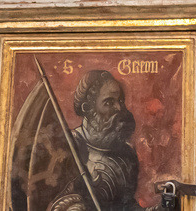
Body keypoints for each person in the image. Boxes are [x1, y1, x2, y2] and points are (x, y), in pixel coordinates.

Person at [47, 71, 155, 211]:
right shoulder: (69, 148)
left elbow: (126, 206)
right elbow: (55, 201)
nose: (118, 108)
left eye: (120, 101)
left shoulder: (127, 154)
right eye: (109, 102)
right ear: (88, 109)